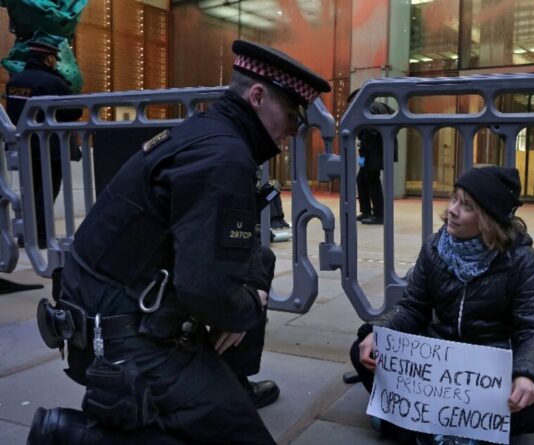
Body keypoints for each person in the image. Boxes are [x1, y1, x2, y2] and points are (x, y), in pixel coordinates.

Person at [29, 40, 330, 444]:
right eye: (291, 115)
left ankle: (223, 385)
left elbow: (240, 248)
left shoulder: (209, 135)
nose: (294, 129)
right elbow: (206, 290)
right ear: (257, 96)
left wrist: (248, 292)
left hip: (108, 312)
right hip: (122, 340)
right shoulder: (224, 157)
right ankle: (72, 436)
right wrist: (245, 307)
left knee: (255, 270)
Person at [350, 166, 534, 444]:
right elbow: (413, 308)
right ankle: (452, 429)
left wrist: (527, 376)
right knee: (363, 349)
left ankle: (413, 425)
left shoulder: (521, 260)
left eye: (467, 206)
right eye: (454, 199)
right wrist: (379, 331)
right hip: (438, 365)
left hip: (488, 369)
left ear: (488, 219)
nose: (453, 210)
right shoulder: (434, 248)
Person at [5, 39, 83, 247]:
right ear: (48, 58)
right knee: (47, 192)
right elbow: (75, 110)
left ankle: (26, 234)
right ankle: (41, 236)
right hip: (50, 147)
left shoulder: (16, 82)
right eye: (54, 58)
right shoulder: (53, 82)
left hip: (24, 146)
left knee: (28, 190)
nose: (56, 62)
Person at [348, 89, 394, 225]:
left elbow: (370, 132)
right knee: (362, 179)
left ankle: (379, 215)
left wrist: (364, 148)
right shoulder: (381, 106)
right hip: (380, 150)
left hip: (373, 152)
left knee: (372, 181)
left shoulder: (368, 108)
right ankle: (366, 211)